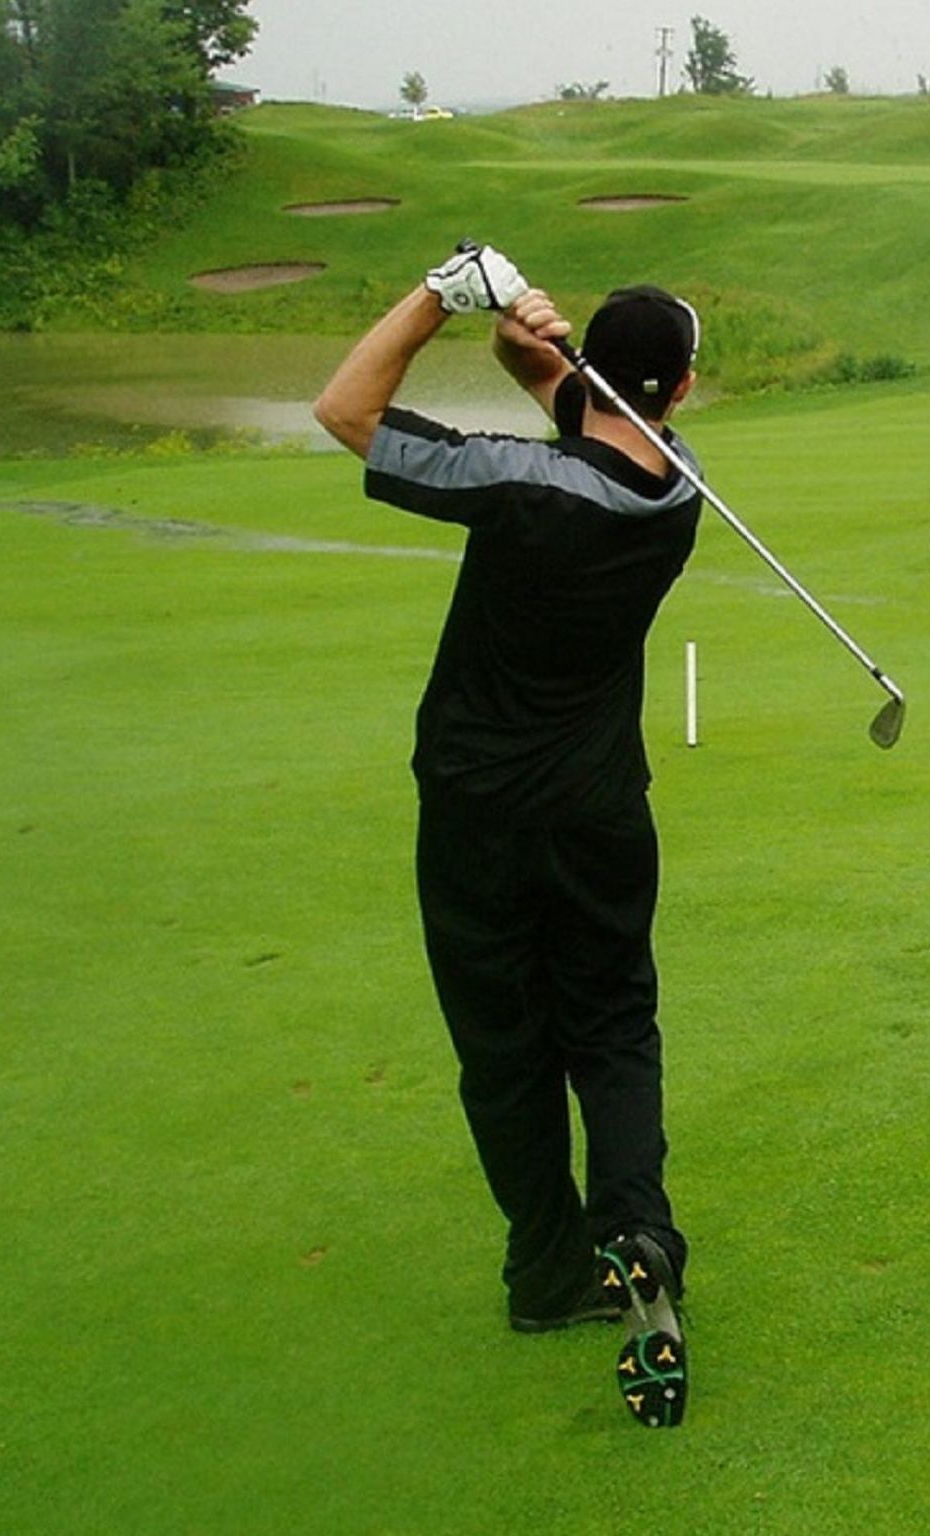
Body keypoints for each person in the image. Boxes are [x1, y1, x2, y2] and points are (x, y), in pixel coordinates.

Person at [314, 242, 699, 1429]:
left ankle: (547, 1270)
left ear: (613, 375)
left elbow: (344, 409)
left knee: (504, 1043)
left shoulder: (511, 482)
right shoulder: (679, 487)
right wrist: (527, 325)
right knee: (612, 1022)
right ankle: (634, 1227)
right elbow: (552, 385)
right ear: (678, 390)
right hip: (596, 813)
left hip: (477, 813)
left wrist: (444, 291)